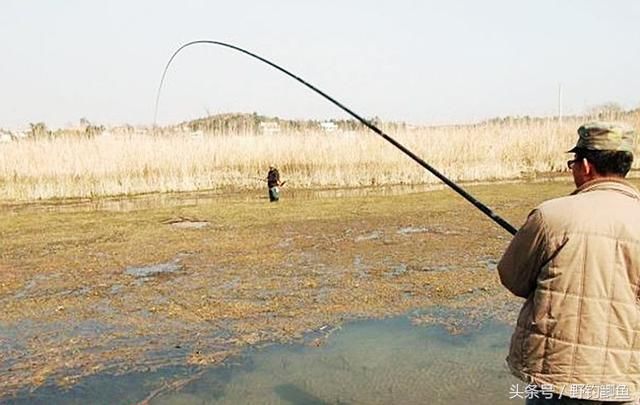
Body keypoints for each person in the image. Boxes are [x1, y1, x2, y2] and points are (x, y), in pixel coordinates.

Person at [498, 122, 640, 404]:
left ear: (585, 166)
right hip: (626, 379)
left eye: (573, 163)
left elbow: (512, 277)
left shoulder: (550, 216)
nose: (573, 169)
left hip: (557, 378)